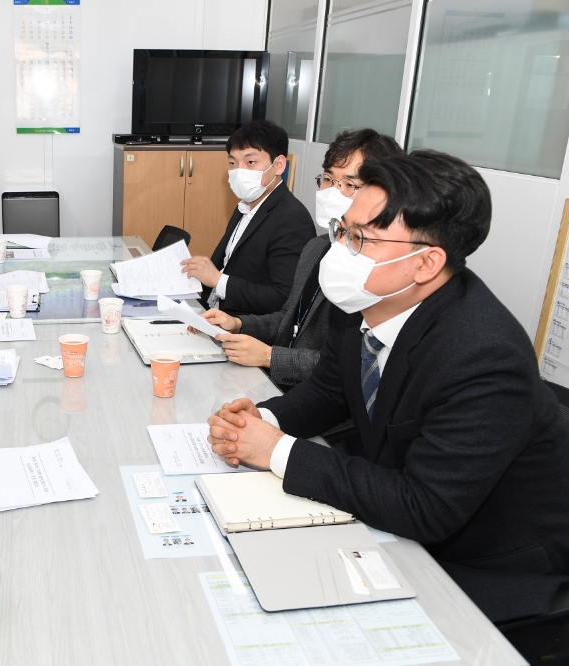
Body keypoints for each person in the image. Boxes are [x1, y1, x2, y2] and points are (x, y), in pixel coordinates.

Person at [206, 150, 569, 624]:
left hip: (486, 564)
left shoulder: (483, 355)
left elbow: (426, 507)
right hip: (400, 520)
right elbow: (330, 391)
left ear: (426, 263)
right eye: (342, 231)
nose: (340, 253)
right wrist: (262, 419)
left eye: (361, 240)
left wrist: (276, 451)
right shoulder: (363, 300)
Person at [202, 129, 402, 389]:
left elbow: (350, 365)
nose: (333, 192)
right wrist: (239, 323)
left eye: (350, 184)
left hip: (324, 402)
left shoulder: (382, 269)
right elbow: (288, 319)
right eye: (329, 179)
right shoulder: (317, 248)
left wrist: (269, 356)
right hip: (282, 383)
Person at [181, 120, 314, 317]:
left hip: (246, 332)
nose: (239, 171)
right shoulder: (246, 204)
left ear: (278, 165)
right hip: (211, 313)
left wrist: (218, 280)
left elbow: (283, 298)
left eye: (250, 162)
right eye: (233, 163)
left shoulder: (292, 218)